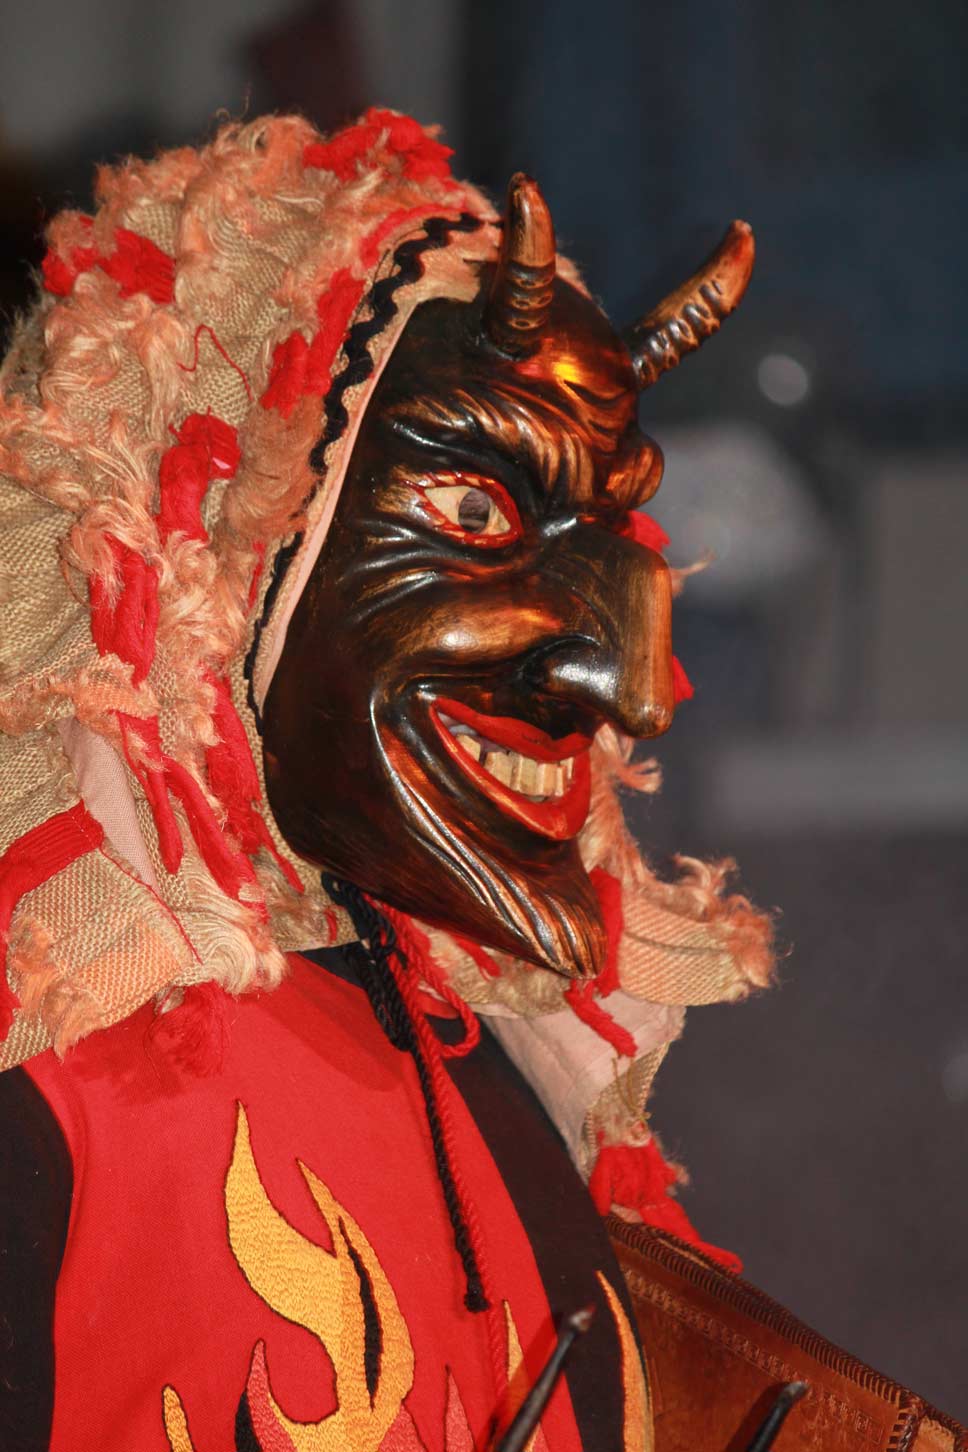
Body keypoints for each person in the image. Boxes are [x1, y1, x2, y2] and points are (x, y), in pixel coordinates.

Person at [0, 110, 960, 1452]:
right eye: (476, 513)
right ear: (221, 524)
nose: (627, 686)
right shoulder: (44, 1076)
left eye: (610, 538)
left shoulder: (488, 1074)